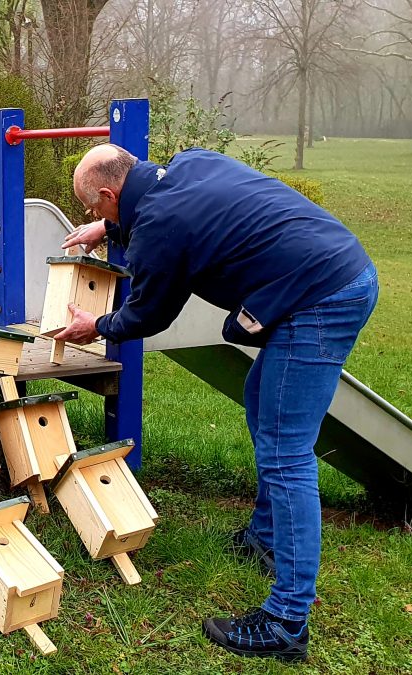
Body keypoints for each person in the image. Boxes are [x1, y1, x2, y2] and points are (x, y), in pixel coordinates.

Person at [55, 144, 378, 663]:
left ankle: (287, 621)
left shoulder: (160, 227)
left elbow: (148, 314)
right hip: (333, 271)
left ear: (111, 193)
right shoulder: (188, 163)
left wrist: (96, 326)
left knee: (286, 452)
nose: (93, 217)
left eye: (95, 209)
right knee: (262, 402)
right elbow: (173, 216)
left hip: (320, 297)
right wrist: (109, 230)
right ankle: (267, 537)